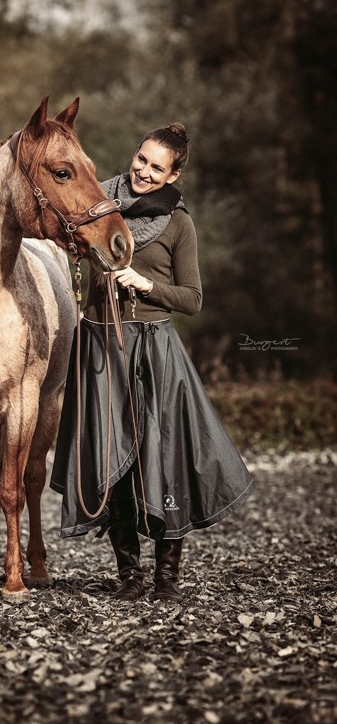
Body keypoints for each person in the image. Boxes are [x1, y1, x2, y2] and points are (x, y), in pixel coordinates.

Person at [50, 123, 254, 603]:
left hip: (152, 349)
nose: (143, 171)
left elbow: (193, 298)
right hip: (100, 347)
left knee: (164, 458)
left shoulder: (179, 224)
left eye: (156, 167)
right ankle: (129, 575)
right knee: (110, 459)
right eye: (141, 160)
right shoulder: (97, 203)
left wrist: (146, 286)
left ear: (173, 173)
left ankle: (166, 577)